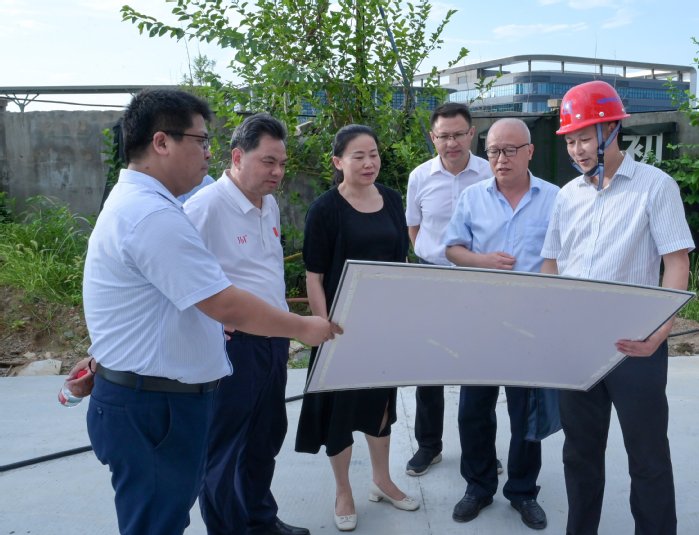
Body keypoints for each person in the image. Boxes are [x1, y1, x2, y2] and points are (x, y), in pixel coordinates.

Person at [71, 88, 341, 535]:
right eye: (200, 140)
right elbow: (221, 301)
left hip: (166, 388)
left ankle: (258, 519)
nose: (207, 152)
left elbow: (151, 299)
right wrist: (302, 327)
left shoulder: (147, 206)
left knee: (252, 448)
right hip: (156, 401)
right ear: (162, 142)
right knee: (174, 503)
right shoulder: (159, 215)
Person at [541, 80, 694, 534]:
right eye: (570, 140)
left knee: (647, 457)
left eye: (584, 138)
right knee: (579, 454)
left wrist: (658, 335)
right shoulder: (567, 195)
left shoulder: (655, 187)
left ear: (611, 129)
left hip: (636, 347)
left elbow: (677, 263)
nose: (577, 149)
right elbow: (551, 263)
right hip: (577, 349)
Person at [184, 113, 308, 535]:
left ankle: (259, 520)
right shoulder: (204, 207)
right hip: (232, 347)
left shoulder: (268, 203)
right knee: (224, 448)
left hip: (273, 342)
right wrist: (206, 321)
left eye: (282, 163)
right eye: (268, 161)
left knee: (264, 438)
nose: (278, 172)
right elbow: (174, 278)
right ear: (237, 157)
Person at [295, 124, 417, 532]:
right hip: (341, 330)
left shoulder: (392, 199)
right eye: (358, 156)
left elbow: (401, 263)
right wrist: (324, 327)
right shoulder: (325, 209)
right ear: (338, 162)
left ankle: (381, 480)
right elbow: (314, 277)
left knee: (380, 405)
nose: (369, 163)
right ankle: (343, 490)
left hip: (384, 326)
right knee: (340, 411)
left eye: (374, 154)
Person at [443, 118, 558, 530]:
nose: (501, 158)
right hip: (481, 321)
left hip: (531, 323)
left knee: (527, 413)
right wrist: (483, 261)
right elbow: (453, 249)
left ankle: (523, 491)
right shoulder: (472, 198)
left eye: (510, 150)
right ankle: (478, 487)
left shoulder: (555, 198)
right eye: (493, 151)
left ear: (530, 151)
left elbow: (566, 254)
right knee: (474, 409)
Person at [404, 102, 492, 476]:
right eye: (444, 136)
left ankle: (480, 451)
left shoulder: (490, 173)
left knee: (480, 370)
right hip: (432, 279)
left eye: (458, 134)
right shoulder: (420, 177)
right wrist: (430, 255)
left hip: (478, 281)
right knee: (430, 366)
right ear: (432, 137)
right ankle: (429, 445)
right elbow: (414, 227)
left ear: (472, 134)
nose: (451, 143)